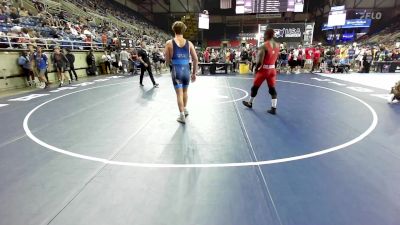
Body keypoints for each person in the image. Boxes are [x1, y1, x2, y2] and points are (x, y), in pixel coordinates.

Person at [164, 21, 198, 124]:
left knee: (179, 94)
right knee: (185, 92)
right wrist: (194, 73)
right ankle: (185, 109)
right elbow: (195, 59)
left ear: (174, 30)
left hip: (176, 70)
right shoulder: (189, 43)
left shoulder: (169, 43)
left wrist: (171, 62)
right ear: (183, 30)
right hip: (186, 70)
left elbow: (167, 61)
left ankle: (182, 115)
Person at [242, 28, 280, 115]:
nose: (263, 37)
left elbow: (259, 61)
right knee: (272, 89)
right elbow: (276, 58)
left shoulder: (263, 46)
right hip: (272, 70)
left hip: (264, 70)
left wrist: (256, 69)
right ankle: (273, 108)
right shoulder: (278, 45)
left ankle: (250, 103)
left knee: (255, 87)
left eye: (264, 35)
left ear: (266, 35)